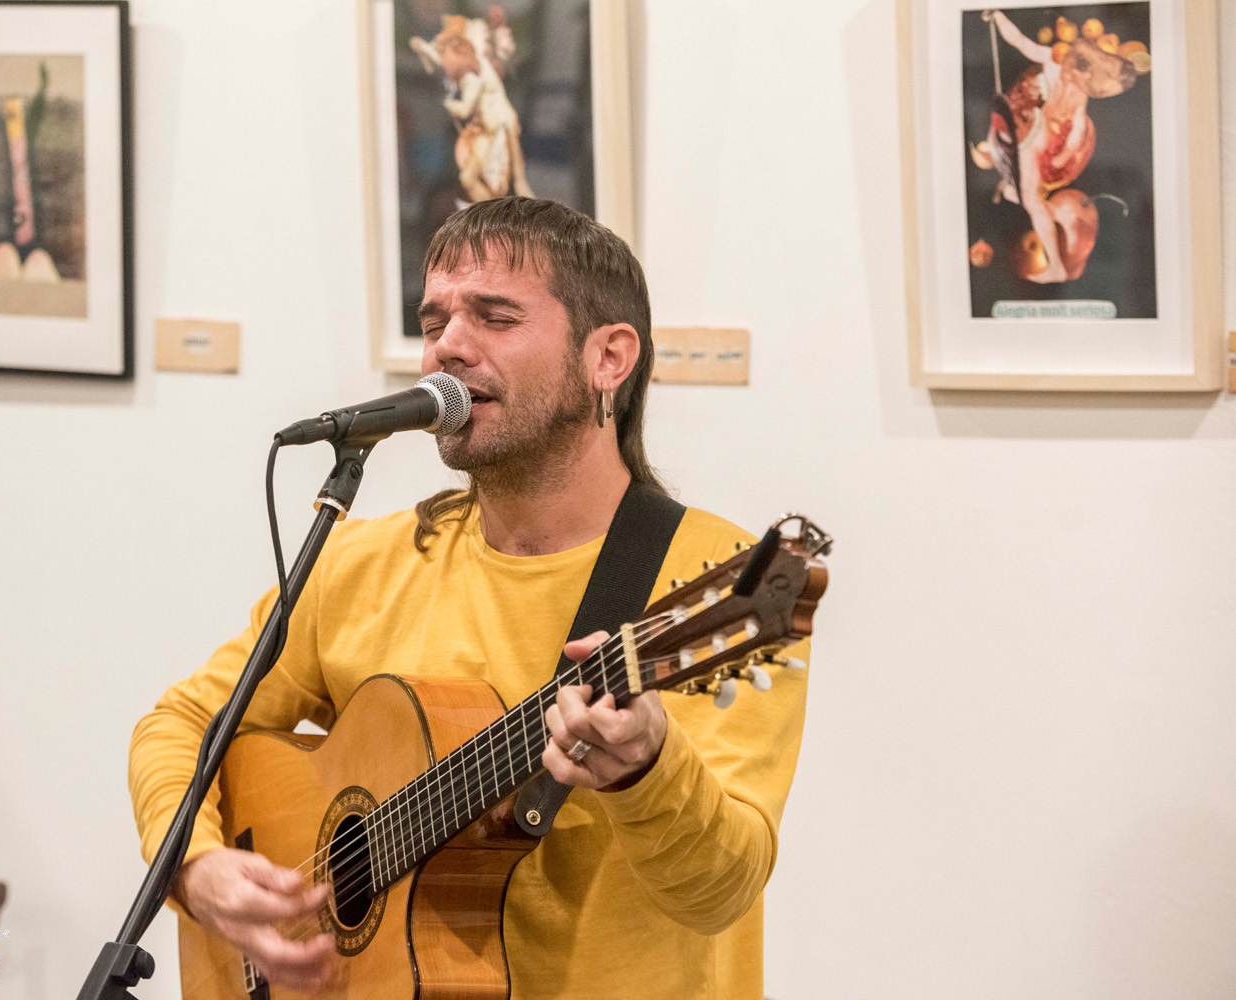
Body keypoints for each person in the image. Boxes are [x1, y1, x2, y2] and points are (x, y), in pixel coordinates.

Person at [128, 197, 809, 999]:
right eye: (434, 321)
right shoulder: (359, 564)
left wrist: (646, 771)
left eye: (495, 316)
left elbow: (719, 892)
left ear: (609, 358)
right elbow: (183, 725)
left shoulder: (719, 583)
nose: (447, 346)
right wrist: (196, 866)